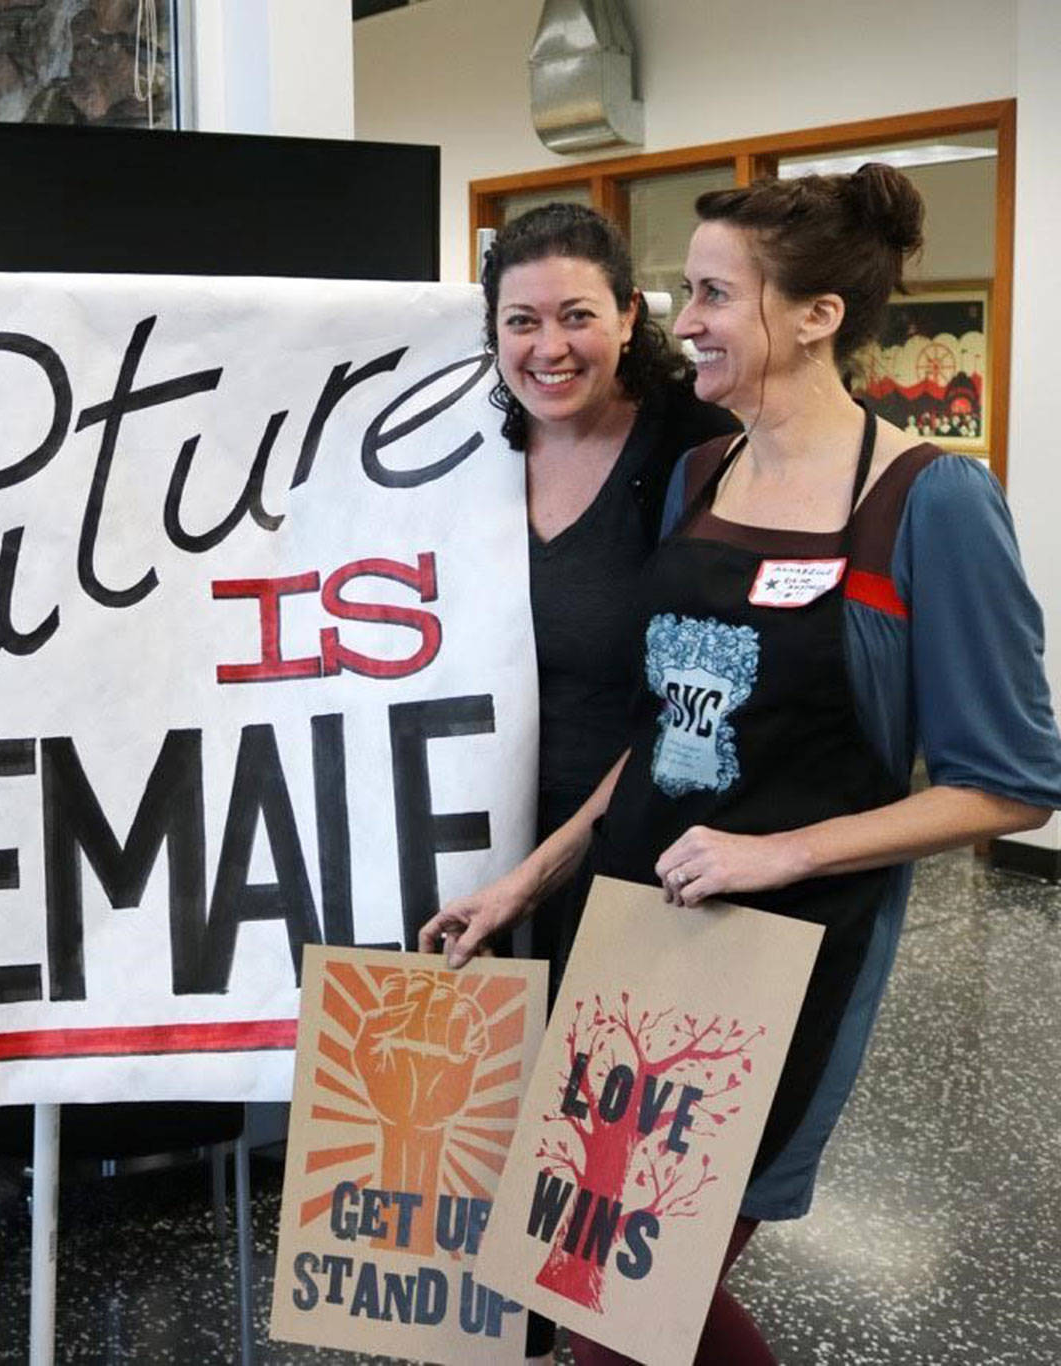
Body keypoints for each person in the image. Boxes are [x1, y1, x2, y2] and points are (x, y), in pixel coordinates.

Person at [427, 164, 1061, 1363]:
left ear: (816, 315)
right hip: (630, 929)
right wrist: (531, 880)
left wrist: (779, 850)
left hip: (774, 962)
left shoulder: (928, 501)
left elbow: (1013, 782)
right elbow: (663, 725)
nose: (686, 321)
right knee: (584, 1282)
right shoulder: (700, 474)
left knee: (616, 1300)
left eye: (713, 294)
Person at [482, 204, 738, 1366]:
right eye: (520, 319)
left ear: (627, 316)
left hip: (632, 860)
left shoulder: (690, 448)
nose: (549, 346)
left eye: (577, 315)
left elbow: (690, 689)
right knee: (489, 1186)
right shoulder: (459, 447)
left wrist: (547, 867)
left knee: (618, 1230)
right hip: (476, 849)